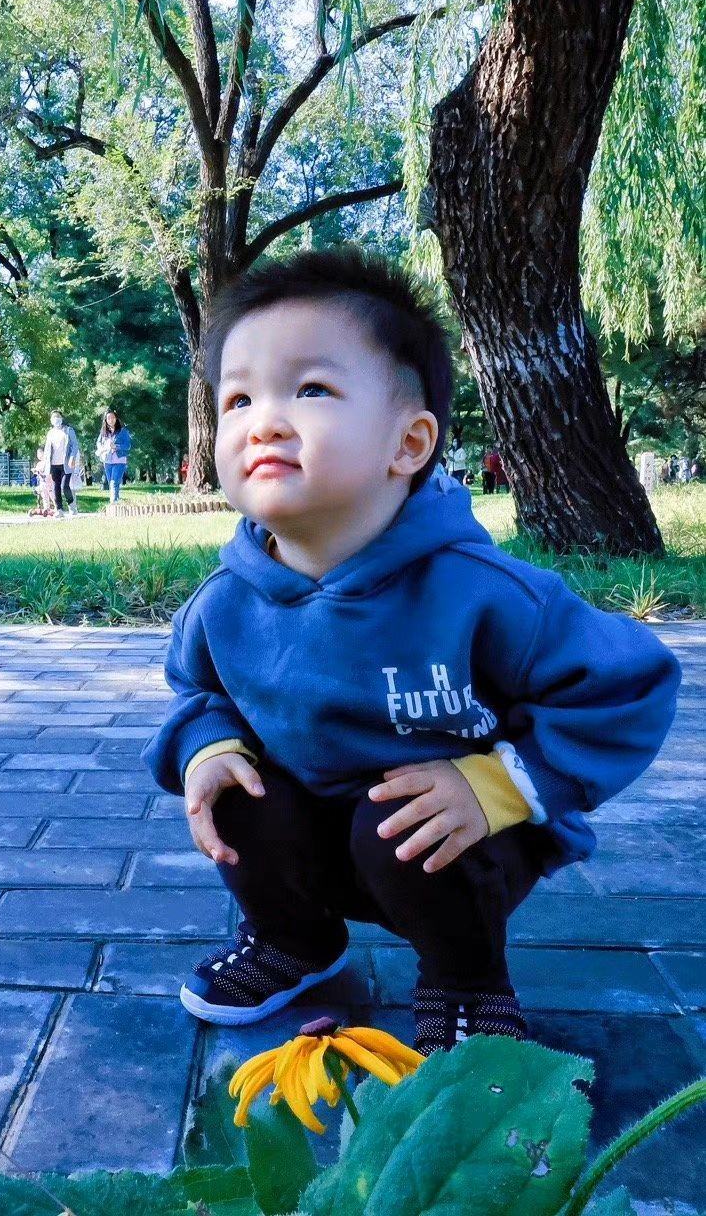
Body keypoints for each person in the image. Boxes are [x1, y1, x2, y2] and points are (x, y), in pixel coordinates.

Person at [142, 246, 680, 1053]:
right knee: (236, 786)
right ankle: (295, 940)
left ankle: (467, 981)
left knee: (395, 816)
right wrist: (205, 745)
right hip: (315, 831)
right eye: (238, 398)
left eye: (311, 389)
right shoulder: (225, 601)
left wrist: (501, 786)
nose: (265, 419)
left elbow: (633, 685)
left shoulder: (482, 590)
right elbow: (196, 693)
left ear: (410, 443)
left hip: (460, 836)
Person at [41, 409, 81, 518]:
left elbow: (75, 445)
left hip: (66, 464)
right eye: (54, 417)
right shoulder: (50, 433)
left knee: (65, 486)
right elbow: (47, 449)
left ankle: (72, 506)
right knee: (56, 487)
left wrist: (72, 457)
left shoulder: (68, 430)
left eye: (58, 416)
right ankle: (59, 509)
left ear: (62, 418)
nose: (56, 419)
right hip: (53, 464)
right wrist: (44, 463)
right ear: (51, 420)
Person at [95, 409, 133, 504]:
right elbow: (98, 442)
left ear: (116, 419)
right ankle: (116, 502)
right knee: (111, 482)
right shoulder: (104, 432)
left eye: (112, 417)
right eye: (108, 418)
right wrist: (102, 448)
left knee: (114, 482)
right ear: (106, 420)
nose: (111, 420)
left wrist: (116, 446)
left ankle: (113, 503)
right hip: (107, 460)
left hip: (119, 460)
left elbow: (128, 445)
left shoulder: (122, 431)